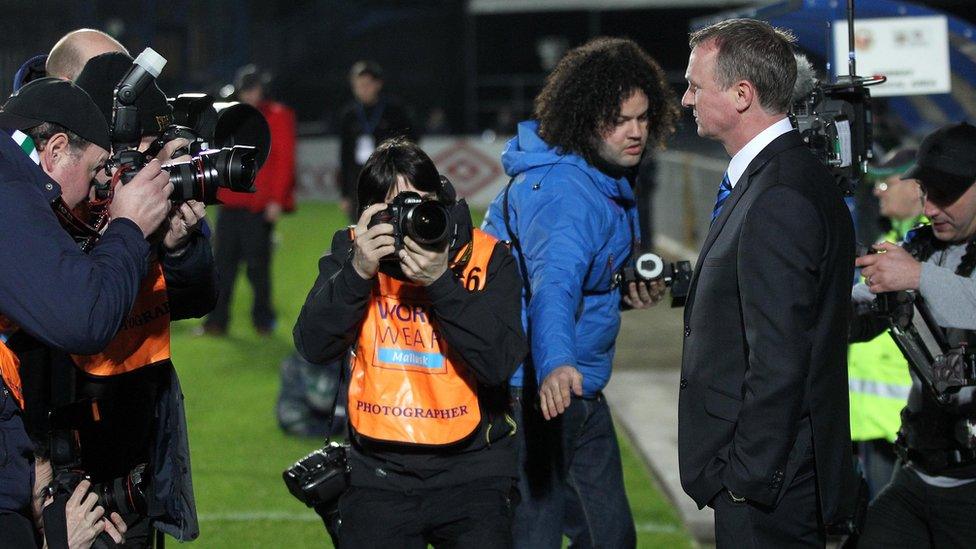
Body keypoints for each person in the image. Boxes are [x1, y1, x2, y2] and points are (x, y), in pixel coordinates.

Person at [481, 37, 679, 548]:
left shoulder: (603, 176)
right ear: (586, 120)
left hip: (577, 382)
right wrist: (555, 365)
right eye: (620, 120)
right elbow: (553, 288)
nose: (636, 132)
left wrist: (621, 293)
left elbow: (579, 280)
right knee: (539, 536)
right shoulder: (568, 192)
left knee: (608, 538)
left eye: (642, 117)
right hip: (540, 386)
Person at [14, 51, 215, 547]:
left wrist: (179, 246)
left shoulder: (146, 192)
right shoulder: (36, 201)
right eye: (137, 149)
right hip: (55, 449)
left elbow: (196, 297)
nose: (148, 164)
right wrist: (36, 471)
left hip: (134, 441)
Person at [677, 19, 858, 546]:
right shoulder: (778, 178)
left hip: (771, 488)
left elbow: (779, 359)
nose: (687, 99)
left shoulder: (779, 195)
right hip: (776, 477)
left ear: (741, 94)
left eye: (695, 85)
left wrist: (744, 481)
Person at [294, 138, 526, 547]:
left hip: (474, 471)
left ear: (444, 198)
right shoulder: (352, 252)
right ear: (367, 216)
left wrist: (441, 283)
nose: (408, 220)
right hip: (378, 472)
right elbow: (313, 346)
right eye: (392, 209)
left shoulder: (486, 257)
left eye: (421, 204)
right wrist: (357, 271)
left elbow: (499, 362)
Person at [0, 77, 172, 547]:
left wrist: (25, 465)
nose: (93, 192)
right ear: (55, 150)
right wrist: (129, 226)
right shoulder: (9, 180)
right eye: (97, 170)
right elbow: (83, 318)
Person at [852, 122, 976, 548]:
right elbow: (862, 309)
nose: (931, 209)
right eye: (926, 192)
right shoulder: (924, 246)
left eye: (947, 194)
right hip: (918, 475)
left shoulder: (921, 263)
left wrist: (918, 276)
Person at [848, 147, 924, 499]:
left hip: (906, 424)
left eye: (887, 183)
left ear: (917, 189)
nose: (878, 192)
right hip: (872, 422)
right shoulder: (894, 242)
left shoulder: (934, 251)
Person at [202, 64, 296, 337]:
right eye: (247, 89)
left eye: (254, 89)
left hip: (259, 204)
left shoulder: (278, 116)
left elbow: (284, 160)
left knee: (258, 267)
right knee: (222, 265)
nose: (251, 94)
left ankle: (263, 321)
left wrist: (277, 200)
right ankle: (216, 322)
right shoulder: (231, 115)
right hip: (232, 202)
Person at [337, 60, 416, 222]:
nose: (362, 89)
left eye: (367, 84)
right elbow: (344, 156)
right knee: (361, 229)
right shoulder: (349, 114)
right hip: (358, 182)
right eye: (358, 85)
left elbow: (411, 143)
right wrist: (345, 194)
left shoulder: (394, 111)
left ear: (378, 84)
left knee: (390, 227)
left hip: (389, 179)